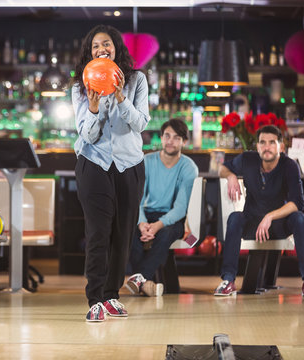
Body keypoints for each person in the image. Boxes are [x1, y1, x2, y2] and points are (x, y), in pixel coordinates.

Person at [71, 24, 149, 322]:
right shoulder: (81, 85)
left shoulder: (137, 81)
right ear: (90, 53)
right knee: (98, 232)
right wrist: (92, 107)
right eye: (95, 46)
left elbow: (140, 123)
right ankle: (95, 299)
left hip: (129, 165)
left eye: (106, 44)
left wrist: (119, 97)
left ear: (116, 48)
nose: (101, 49)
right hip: (94, 164)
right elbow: (87, 136)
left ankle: (111, 295)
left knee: (122, 233)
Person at [216, 125, 304, 297]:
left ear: (280, 146)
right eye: (262, 143)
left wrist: (270, 216)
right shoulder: (247, 159)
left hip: (279, 225)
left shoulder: (290, 166)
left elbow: (297, 203)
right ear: (257, 146)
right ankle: (228, 280)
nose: (267, 147)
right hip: (252, 222)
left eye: (272, 142)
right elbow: (222, 168)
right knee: (235, 218)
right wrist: (231, 176)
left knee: (299, 218)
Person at [126, 119, 198, 297]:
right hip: (147, 214)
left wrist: (157, 225)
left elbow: (181, 207)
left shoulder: (188, 167)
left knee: (165, 234)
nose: (170, 141)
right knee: (129, 231)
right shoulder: (147, 161)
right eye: (167, 136)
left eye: (176, 137)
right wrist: (142, 222)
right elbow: (138, 198)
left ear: (184, 142)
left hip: (173, 218)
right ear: (161, 138)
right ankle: (144, 283)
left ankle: (139, 278)